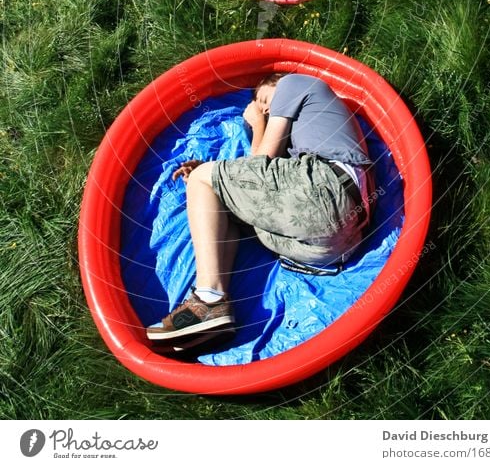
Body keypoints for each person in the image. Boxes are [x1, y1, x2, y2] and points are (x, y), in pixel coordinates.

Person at [146, 72, 372, 344]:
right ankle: (215, 311)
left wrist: (256, 123)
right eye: (262, 108)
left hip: (325, 191)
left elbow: (261, 159)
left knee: (202, 179)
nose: (265, 109)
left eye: (265, 101)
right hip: (334, 248)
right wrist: (215, 178)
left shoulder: (293, 83)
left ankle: (207, 297)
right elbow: (260, 176)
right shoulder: (307, 138)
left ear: (276, 83)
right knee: (219, 201)